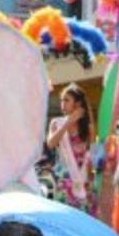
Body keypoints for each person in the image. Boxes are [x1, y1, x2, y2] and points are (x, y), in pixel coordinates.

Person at [45, 84, 96, 214]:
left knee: (85, 219)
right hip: (64, 179)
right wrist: (68, 122)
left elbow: (93, 154)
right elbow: (50, 143)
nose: (62, 103)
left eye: (67, 100)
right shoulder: (56, 123)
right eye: (62, 100)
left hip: (84, 179)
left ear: (78, 103)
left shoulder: (88, 128)